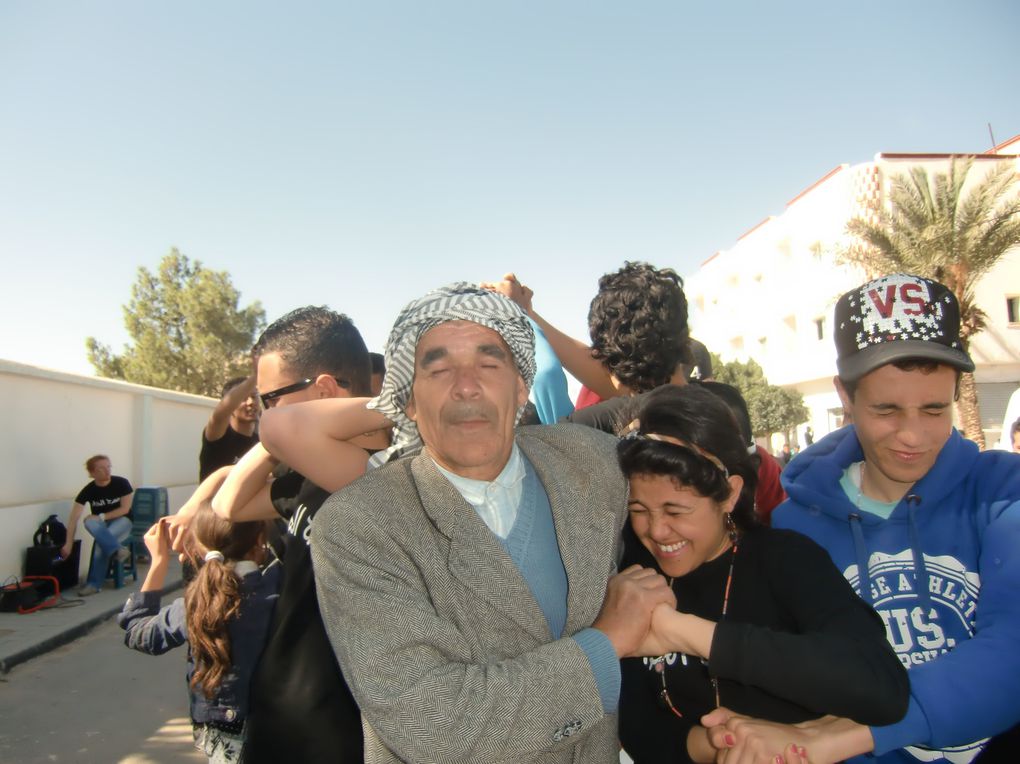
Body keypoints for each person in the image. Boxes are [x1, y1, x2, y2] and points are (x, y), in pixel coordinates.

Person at [310, 283, 676, 763]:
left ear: (521, 386)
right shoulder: (359, 527)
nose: (466, 386)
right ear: (409, 402)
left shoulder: (594, 464)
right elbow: (436, 725)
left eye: (489, 364)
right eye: (439, 368)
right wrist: (605, 646)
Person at [710, 274, 1020, 763]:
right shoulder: (793, 529)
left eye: (935, 409)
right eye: (887, 410)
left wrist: (856, 733)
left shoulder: (1005, 492)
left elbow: (1013, 652)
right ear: (845, 396)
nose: (913, 436)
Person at [616, 384, 907, 764]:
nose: (656, 530)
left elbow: (881, 687)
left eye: (676, 512)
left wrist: (686, 634)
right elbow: (637, 729)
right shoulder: (635, 580)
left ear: (730, 493)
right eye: (639, 509)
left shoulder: (786, 560)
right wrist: (720, 742)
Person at [209, 305, 386, 764]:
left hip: (339, 737)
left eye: (270, 397)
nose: (263, 411)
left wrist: (281, 426)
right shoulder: (307, 475)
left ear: (324, 389)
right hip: (277, 722)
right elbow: (229, 504)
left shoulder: (387, 477)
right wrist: (276, 441)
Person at [119, 507, 279, 763]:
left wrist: (159, 562)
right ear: (260, 540)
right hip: (282, 725)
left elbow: (137, 632)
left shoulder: (196, 603)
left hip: (223, 736)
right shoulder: (278, 587)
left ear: (196, 547)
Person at [61, 454, 134, 596]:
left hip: (124, 521)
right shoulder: (88, 490)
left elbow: (125, 509)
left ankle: (94, 584)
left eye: (108, 466)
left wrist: (101, 516)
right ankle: (117, 551)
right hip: (102, 527)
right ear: (92, 473)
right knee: (88, 521)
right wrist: (68, 543)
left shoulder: (122, 483)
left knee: (101, 542)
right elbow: (73, 519)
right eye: (101, 469)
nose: (107, 471)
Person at [199, 375, 259, 480]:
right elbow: (218, 416)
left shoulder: (260, 444)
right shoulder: (219, 437)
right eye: (244, 398)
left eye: (254, 397)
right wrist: (254, 377)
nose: (251, 402)